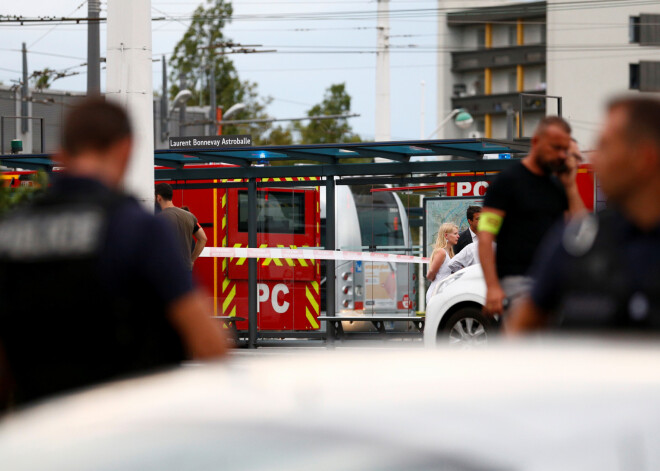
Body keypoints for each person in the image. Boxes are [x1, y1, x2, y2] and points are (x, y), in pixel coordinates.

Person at [0, 98, 227, 408]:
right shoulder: (137, 229)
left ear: (61, 153)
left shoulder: (12, 233)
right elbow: (209, 343)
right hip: (124, 436)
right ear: (126, 149)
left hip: (43, 437)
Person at [507, 96, 660, 333]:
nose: (595, 158)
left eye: (606, 146)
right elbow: (522, 326)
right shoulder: (578, 243)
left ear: (645, 157)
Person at [478, 116, 586, 318]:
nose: (562, 156)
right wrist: (492, 287)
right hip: (518, 280)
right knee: (528, 346)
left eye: (565, 150)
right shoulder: (507, 182)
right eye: (556, 148)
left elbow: (581, 230)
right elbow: (485, 236)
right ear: (536, 142)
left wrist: (570, 185)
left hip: (553, 281)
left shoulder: (557, 185)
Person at [155, 183, 207, 274]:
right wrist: (191, 260)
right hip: (185, 270)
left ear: (158, 197)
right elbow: (203, 238)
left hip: (167, 270)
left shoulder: (159, 218)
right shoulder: (190, 216)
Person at [426, 223, 459, 304]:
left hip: (444, 293)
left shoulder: (449, 253)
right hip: (436, 294)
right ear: (446, 236)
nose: (458, 236)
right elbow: (430, 274)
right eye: (455, 234)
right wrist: (439, 280)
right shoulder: (441, 252)